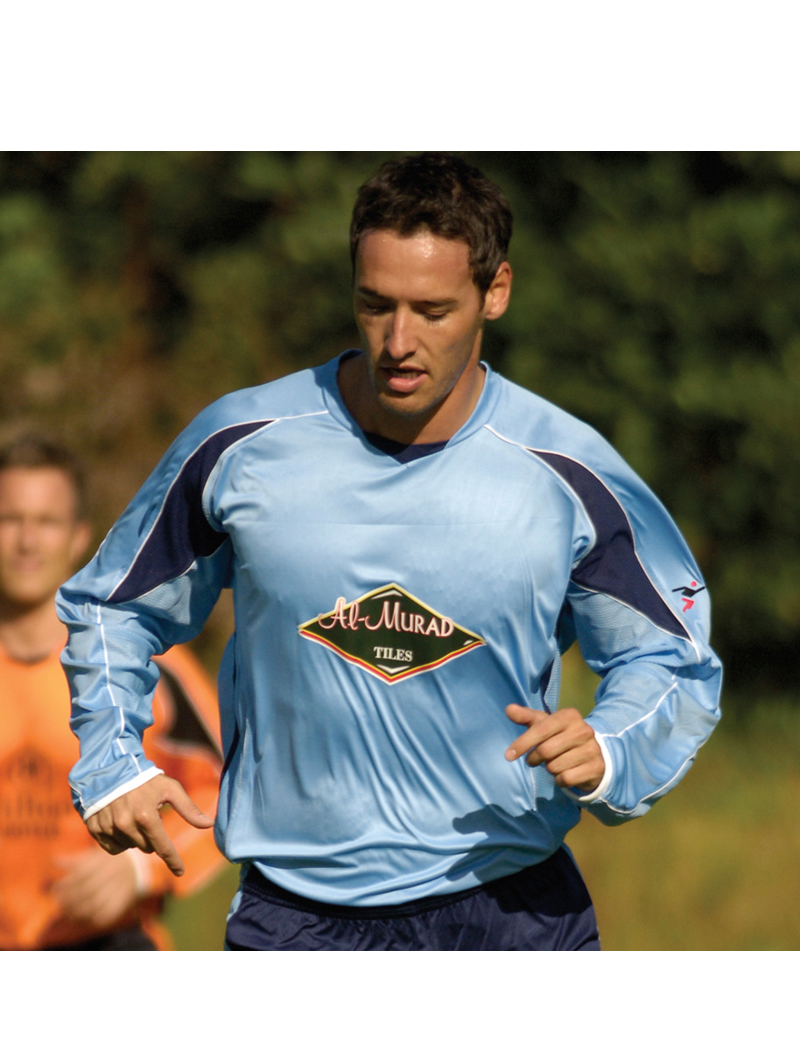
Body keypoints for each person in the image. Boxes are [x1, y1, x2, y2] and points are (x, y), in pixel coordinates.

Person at [58, 153, 722, 951]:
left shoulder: (567, 471)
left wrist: (611, 745)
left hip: (512, 913)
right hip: (297, 919)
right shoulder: (242, 444)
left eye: (433, 311)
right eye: (376, 305)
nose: (399, 342)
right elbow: (111, 606)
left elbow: (672, 654)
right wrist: (114, 761)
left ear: (496, 291)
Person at [0, 435, 226, 950]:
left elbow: (224, 790)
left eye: (46, 522)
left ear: (79, 536)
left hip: (108, 944)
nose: (27, 541)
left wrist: (141, 871)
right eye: (10, 519)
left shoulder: (139, 663)